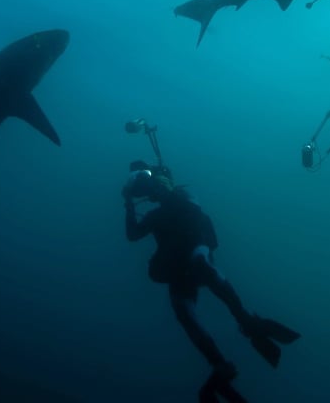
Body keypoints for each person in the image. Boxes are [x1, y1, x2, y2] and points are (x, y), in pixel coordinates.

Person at [122, 161, 300, 394]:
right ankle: (219, 363)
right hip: (176, 263)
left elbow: (194, 207)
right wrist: (128, 203)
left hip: (195, 244)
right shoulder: (157, 214)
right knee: (183, 311)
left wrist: (163, 186)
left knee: (201, 263)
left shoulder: (181, 194)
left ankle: (246, 319)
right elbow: (133, 235)